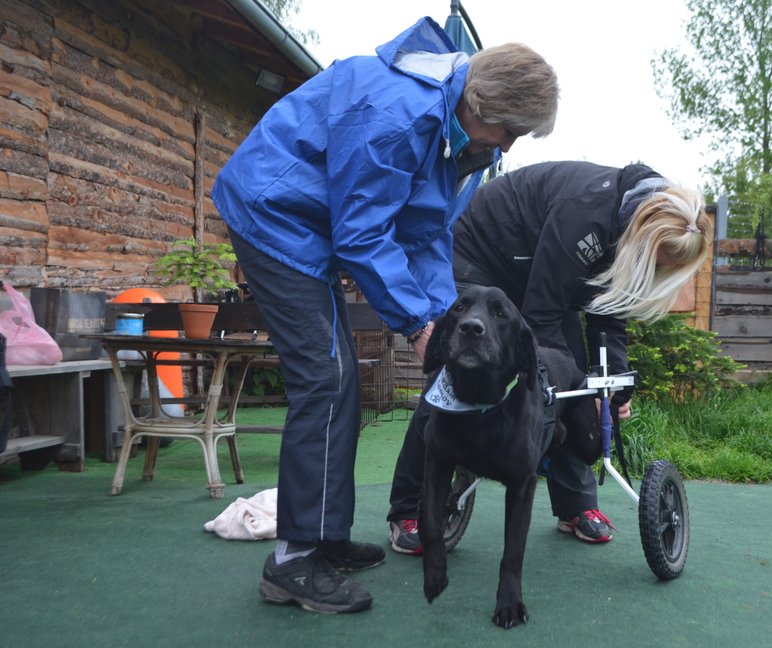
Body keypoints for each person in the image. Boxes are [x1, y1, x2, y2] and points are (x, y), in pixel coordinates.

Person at [211, 17, 558, 614]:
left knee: (338, 380)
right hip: (273, 216)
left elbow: (425, 236)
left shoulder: (458, 141)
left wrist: (440, 322)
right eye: (511, 130)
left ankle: (323, 535)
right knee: (328, 379)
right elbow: (363, 234)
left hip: (312, 228)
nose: (509, 146)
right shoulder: (394, 114)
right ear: (483, 103)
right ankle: (293, 562)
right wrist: (417, 326)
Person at [387, 160, 713, 553]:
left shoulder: (626, 227)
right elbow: (540, 317)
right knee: (453, 380)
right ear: (645, 238)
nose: (661, 271)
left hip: (537, 276)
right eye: (661, 262)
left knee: (572, 388)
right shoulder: (587, 216)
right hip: (480, 258)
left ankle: (575, 507)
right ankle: (409, 508)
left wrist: (610, 390)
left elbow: (608, 315)